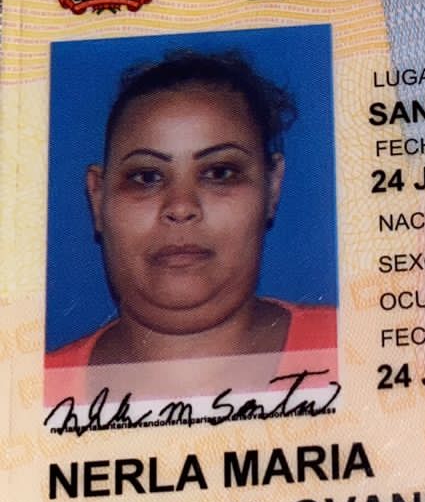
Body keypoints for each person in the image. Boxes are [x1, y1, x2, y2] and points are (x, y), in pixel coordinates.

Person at [45, 48, 338, 406]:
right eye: (146, 177)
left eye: (219, 173)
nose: (181, 207)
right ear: (98, 199)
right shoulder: (26, 393)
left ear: (272, 187)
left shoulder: (357, 347)